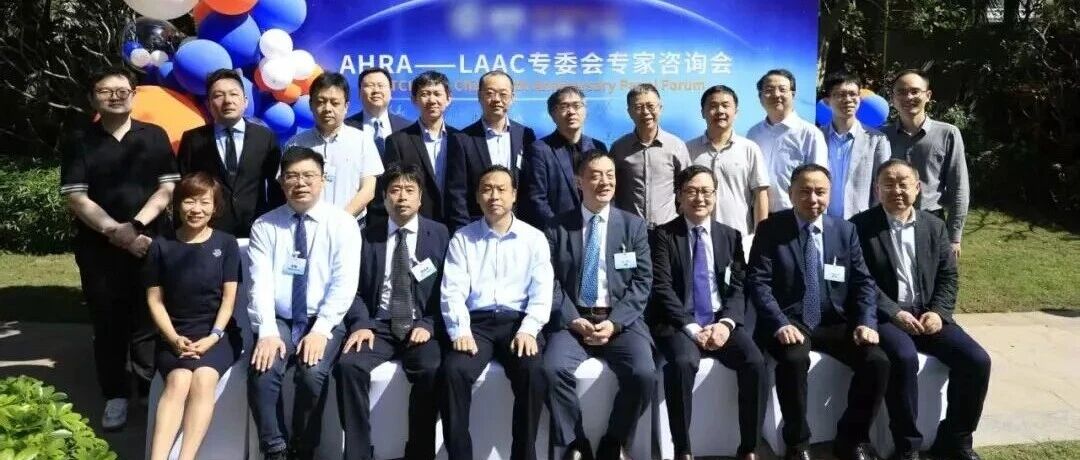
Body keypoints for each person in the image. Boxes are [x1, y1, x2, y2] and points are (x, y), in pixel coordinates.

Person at [60, 66, 179, 430]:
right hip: (99, 250)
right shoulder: (79, 139)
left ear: (133, 94)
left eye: (122, 89)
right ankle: (115, 395)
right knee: (108, 322)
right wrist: (119, 233)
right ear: (92, 98)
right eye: (105, 90)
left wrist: (136, 227)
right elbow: (77, 198)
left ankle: (147, 390)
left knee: (149, 318)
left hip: (150, 242)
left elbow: (166, 189)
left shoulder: (154, 136)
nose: (115, 96)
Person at [851, 159, 990, 460]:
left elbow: (948, 276)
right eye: (888, 184)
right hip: (887, 316)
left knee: (977, 360)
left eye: (903, 183)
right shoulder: (859, 227)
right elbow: (861, 280)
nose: (896, 190)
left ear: (917, 188)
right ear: (876, 190)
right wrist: (894, 312)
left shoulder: (934, 226)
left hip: (928, 314)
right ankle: (907, 447)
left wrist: (938, 312)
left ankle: (956, 440)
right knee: (903, 357)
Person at [747, 164, 888, 460]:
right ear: (790, 193)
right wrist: (780, 323)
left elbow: (864, 282)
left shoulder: (845, 230)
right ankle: (798, 444)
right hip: (790, 320)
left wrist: (866, 321)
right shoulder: (771, 229)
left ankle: (852, 438)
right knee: (794, 360)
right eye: (805, 191)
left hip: (835, 320)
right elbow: (759, 283)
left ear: (829, 194)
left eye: (820, 192)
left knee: (876, 361)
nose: (813, 199)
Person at [246, 147, 363, 459]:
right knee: (263, 368)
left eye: (309, 175)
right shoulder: (265, 226)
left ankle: (303, 447)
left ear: (323, 179)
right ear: (281, 182)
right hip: (280, 319)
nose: (301, 183)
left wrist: (321, 330)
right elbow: (259, 283)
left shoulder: (342, 224)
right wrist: (267, 332)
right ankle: (275, 448)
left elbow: (344, 284)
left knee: (312, 374)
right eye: (292, 176)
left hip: (324, 319)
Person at [543, 150, 655, 460]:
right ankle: (575, 442)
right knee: (551, 370)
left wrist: (615, 323)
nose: (604, 182)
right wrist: (571, 318)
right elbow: (548, 281)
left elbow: (643, 281)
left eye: (610, 175)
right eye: (595, 175)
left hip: (621, 321)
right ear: (579, 182)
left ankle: (614, 440)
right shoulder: (556, 227)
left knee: (643, 374)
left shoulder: (633, 226)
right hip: (573, 320)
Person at [649, 165, 765, 460]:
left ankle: (749, 448)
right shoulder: (663, 235)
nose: (699, 198)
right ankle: (683, 449)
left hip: (719, 319)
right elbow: (662, 288)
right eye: (691, 191)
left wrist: (726, 324)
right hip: (678, 323)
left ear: (715, 195)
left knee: (754, 362)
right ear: (679, 196)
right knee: (682, 363)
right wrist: (691, 328)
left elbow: (738, 286)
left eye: (706, 191)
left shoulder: (730, 236)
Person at [439, 165, 552, 460]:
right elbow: (452, 290)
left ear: (514, 195)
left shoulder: (534, 238)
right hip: (476, 325)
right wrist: (460, 330)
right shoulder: (463, 238)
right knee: (453, 372)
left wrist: (529, 329)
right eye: (487, 190)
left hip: (518, 322)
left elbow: (542, 292)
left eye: (502, 189)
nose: (494, 196)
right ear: (477, 197)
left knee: (533, 373)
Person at [336, 164, 448, 460]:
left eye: (410, 190)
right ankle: (359, 453)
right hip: (378, 326)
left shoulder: (439, 235)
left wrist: (429, 323)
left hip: (420, 325)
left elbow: (449, 290)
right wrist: (360, 323)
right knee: (348, 367)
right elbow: (351, 290)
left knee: (432, 370)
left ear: (420, 198)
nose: (402, 197)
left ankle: (419, 453)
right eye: (395, 190)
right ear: (384, 198)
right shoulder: (366, 236)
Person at [145, 172, 242, 460]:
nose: (196, 209)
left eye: (204, 202)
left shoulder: (226, 244)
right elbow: (154, 300)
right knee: (178, 381)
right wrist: (173, 338)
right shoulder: (160, 246)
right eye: (189, 201)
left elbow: (229, 299)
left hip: (217, 334)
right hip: (174, 334)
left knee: (203, 379)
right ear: (177, 205)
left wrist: (214, 336)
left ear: (215, 207)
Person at [178, 69, 284, 238]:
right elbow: (183, 188)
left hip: (256, 230)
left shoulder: (265, 137)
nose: (227, 100)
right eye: (218, 95)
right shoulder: (193, 139)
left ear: (245, 101)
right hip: (208, 232)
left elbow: (275, 187)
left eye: (234, 94)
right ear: (208, 104)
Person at [884, 69, 969, 260]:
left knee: (931, 276)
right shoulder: (882, 136)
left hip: (931, 221)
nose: (908, 97)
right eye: (901, 92)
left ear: (928, 95)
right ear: (893, 98)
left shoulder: (947, 134)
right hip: (888, 222)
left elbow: (959, 187)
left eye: (915, 91)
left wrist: (954, 237)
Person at [285, 72, 383, 226]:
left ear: (346, 106)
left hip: (350, 225)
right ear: (311, 104)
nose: (327, 108)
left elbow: (369, 189)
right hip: (305, 226)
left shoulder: (362, 140)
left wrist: (340, 221)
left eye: (335, 103)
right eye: (321, 102)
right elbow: (287, 187)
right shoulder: (295, 144)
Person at [446, 70, 537, 231]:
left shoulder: (526, 135)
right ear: (479, 96)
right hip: (477, 228)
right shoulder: (463, 139)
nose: (496, 99)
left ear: (512, 97)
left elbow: (532, 186)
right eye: (490, 93)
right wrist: (464, 230)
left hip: (519, 228)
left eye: (503, 94)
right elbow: (457, 192)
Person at [685, 85, 770, 247]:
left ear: (736, 112)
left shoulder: (749, 148)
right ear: (702, 112)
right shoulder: (688, 149)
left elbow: (761, 195)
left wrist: (760, 237)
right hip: (696, 237)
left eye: (725, 105)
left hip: (739, 237)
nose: (720, 111)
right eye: (713, 106)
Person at [520, 86, 608, 227]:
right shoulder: (540, 149)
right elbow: (536, 198)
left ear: (585, 111)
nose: (571, 112)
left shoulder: (598, 147)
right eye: (564, 106)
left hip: (594, 228)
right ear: (552, 114)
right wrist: (558, 231)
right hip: (556, 231)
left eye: (577, 106)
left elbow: (606, 192)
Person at [746, 69, 828, 214]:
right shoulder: (753, 133)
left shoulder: (810, 134)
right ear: (760, 97)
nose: (776, 94)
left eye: (782, 89)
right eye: (769, 90)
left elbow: (819, 181)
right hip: (757, 214)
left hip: (795, 214)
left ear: (793, 94)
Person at [382, 71, 459, 224]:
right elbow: (393, 187)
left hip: (456, 222)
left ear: (448, 98)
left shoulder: (461, 139)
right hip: (416, 224)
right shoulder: (397, 141)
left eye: (437, 94)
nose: (432, 100)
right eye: (425, 94)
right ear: (414, 99)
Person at [610, 84, 690, 228]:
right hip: (629, 229)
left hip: (667, 229)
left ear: (660, 108)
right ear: (629, 112)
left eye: (651, 106)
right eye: (638, 107)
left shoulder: (676, 146)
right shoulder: (619, 148)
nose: (645, 112)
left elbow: (687, 187)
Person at [820, 72, 891, 220]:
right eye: (840, 95)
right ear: (827, 101)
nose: (848, 100)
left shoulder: (876, 139)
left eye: (853, 94)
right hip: (823, 219)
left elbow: (882, 183)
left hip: (862, 221)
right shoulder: (816, 136)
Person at [344, 67, 412, 156]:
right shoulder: (345, 127)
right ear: (360, 92)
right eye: (370, 85)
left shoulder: (408, 128)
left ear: (390, 92)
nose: (376, 90)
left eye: (381, 85)